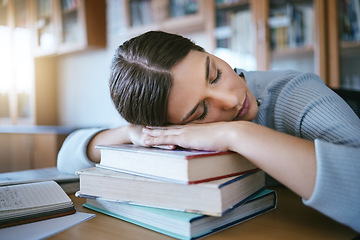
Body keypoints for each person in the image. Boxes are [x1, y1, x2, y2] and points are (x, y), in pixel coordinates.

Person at [57, 31, 360, 232]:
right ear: (173, 127)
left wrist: (237, 134)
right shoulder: (171, 133)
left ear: (206, 51)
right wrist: (131, 133)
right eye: (200, 111)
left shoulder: (293, 92)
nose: (231, 100)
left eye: (214, 74)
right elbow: (67, 158)